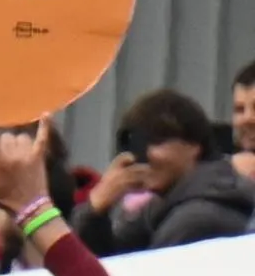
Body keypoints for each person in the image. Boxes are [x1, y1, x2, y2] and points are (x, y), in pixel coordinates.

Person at [77, 88, 255, 252]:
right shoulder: (160, 208)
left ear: (194, 145)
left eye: (156, 141)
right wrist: (96, 209)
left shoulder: (197, 219)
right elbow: (96, 265)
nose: (142, 156)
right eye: (136, 145)